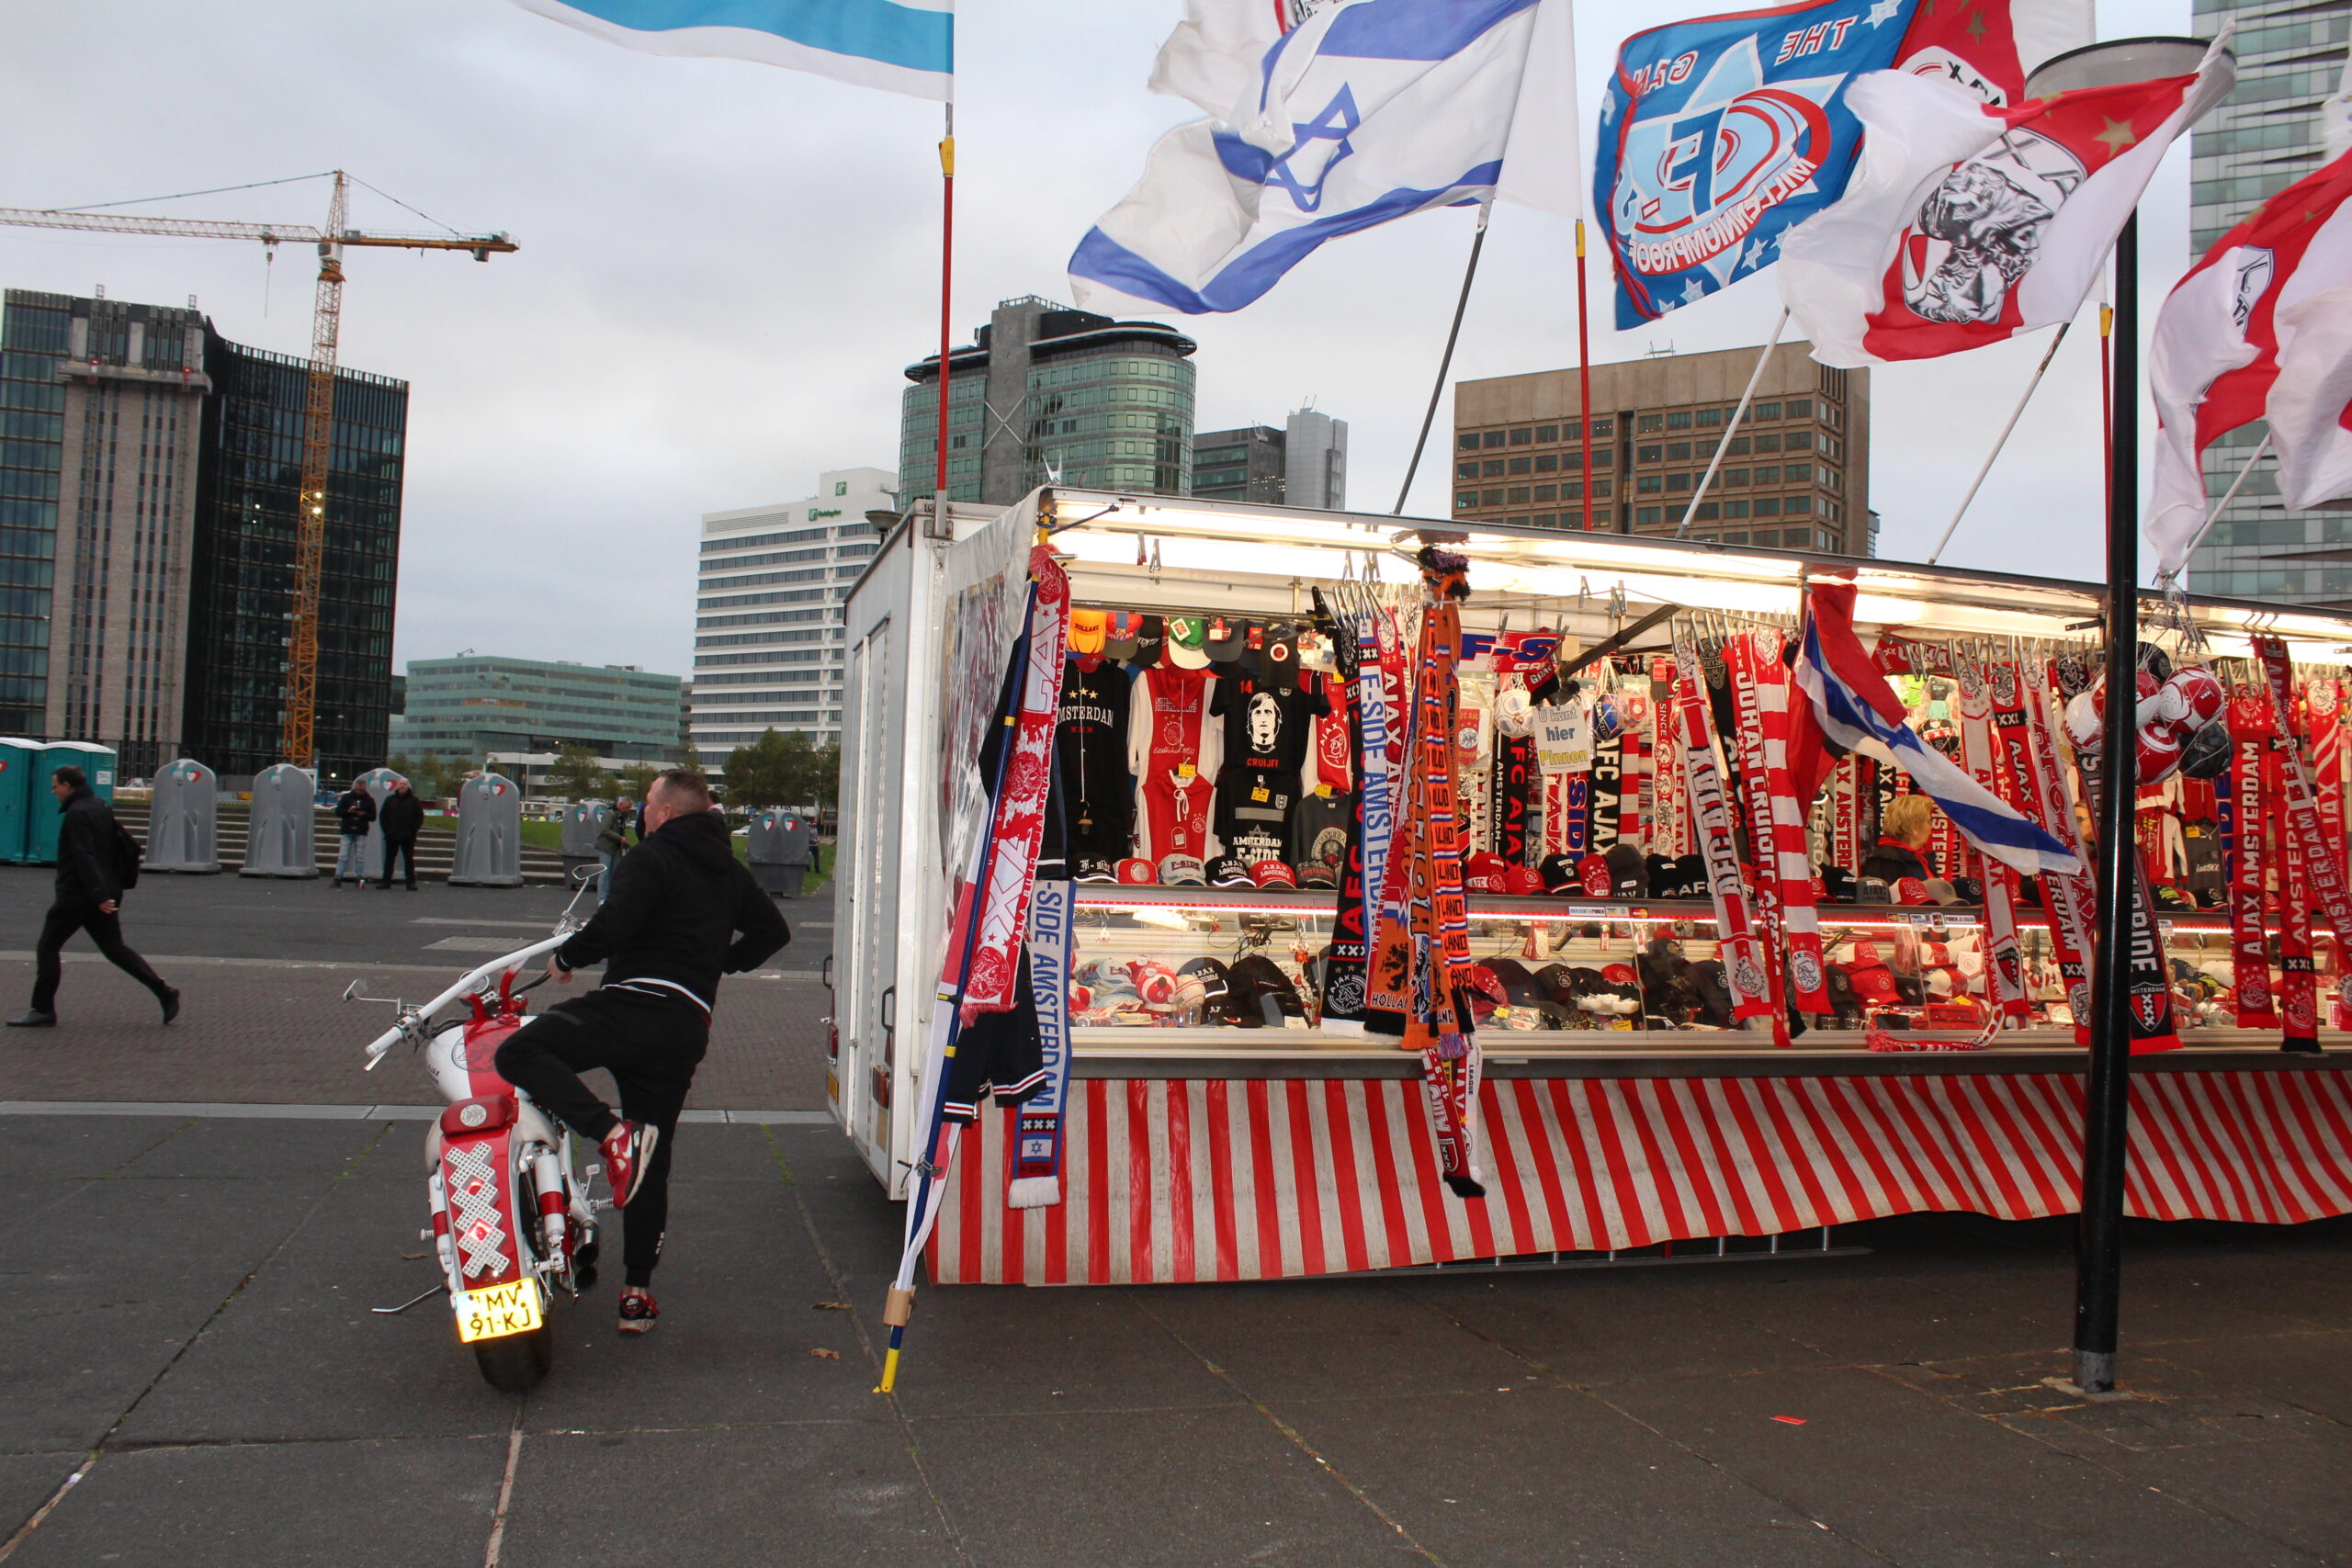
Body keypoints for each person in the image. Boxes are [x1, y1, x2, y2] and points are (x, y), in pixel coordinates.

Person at [494, 770, 787, 1334]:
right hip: (684, 1026)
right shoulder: (729, 870)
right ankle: (636, 1294)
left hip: (631, 1006)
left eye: (649, 802)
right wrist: (716, 966)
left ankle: (609, 1134)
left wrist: (567, 958)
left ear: (666, 811)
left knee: (520, 1052)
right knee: (651, 1159)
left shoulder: (651, 857)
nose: (644, 811)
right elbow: (773, 932)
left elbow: (615, 922)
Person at [10, 767, 179, 1029]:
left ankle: (43, 1009)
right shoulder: (100, 805)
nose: (53, 791)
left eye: (55, 786)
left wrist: (98, 894)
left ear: (67, 786)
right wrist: (106, 891)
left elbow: (84, 855)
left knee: (48, 947)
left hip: (79, 894)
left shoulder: (77, 813)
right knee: (114, 948)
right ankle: (163, 991)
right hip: (104, 890)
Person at [1860, 794, 1938, 888]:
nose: (1931, 827)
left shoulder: (1922, 857)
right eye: (1929, 822)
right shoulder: (1886, 861)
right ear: (1914, 827)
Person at [376, 778, 424, 891]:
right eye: (401, 784)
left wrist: (413, 831)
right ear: (398, 785)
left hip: (408, 836)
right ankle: (386, 882)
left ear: (408, 786)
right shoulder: (390, 800)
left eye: (405, 784)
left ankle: (411, 883)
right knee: (389, 859)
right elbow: (383, 816)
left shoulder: (414, 801)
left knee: (409, 860)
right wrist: (387, 831)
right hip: (391, 835)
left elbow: (419, 817)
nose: (402, 786)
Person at [332, 781, 377, 888]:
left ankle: (356, 877)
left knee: (358, 857)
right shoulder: (347, 797)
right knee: (343, 855)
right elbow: (338, 811)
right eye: (358, 790)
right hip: (349, 829)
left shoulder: (369, 800)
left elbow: (373, 817)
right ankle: (340, 877)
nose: (359, 792)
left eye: (361, 790)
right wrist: (349, 811)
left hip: (360, 830)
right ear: (354, 788)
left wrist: (362, 814)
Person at [595, 797, 637, 902]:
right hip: (606, 847)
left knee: (613, 873)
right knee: (605, 873)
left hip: (616, 847)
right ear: (620, 804)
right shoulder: (610, 814)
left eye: (629, 808)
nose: (627, 810)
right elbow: (604, 829)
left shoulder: (621, 816)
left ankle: (610, 896)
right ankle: (602, 897)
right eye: (626, 808)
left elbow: (621, 829)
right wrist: (619, 838)